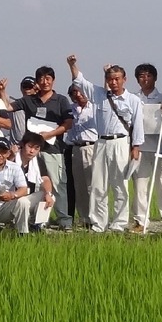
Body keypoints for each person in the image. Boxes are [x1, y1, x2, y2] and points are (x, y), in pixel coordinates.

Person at [68, 55, 144, 233]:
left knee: (120, 185)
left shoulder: (132, 100)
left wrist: (136, 147)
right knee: (97, 185)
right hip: (101, 142)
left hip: (121, 142)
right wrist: (72, 64)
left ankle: (118, 224)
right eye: (110, 79)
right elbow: (80, 81)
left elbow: (138, 124)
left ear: (124, 79)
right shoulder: (99, 94)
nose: (113, 82)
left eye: (117, 79)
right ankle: (98, 224)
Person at [9, 65, 73, 230]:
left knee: (57, 184)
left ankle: (64, 220)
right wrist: (0, 90)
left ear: (53, 80)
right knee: (34, 184)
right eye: (41, 79)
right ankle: (38, 220)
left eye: (48, 78)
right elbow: (8, 107)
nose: (45, 82)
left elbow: (68, 123)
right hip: (31, 151)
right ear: (37, 82)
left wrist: (50, 134)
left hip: (53, 149)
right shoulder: (29, 100)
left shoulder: (61, 100)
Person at [130, 63, 162, 233]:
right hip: (141, 147)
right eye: (141, 76)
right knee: (140, 186)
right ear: (137, 79)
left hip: (161, 147)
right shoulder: (133, 98)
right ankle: (140, 221)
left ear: (155, 78)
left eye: (148, 75)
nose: (145, 79)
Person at [64, 84, 97, 229]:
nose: (77, 95)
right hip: (75, 148)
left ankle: (96, 218)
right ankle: (84, 218)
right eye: (73, 93)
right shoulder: (69, 109)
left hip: (92, 147)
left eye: (80, 91)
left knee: (93, 185)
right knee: (79, 187)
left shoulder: (95, 107)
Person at [13, 132, 56, 231]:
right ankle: (22, 231)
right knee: (22, 201)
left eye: (36, 148)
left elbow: (45, 179)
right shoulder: (13, 159)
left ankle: (38, 225)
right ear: (22, 145)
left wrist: (47, 193)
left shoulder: (38, 161)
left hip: (27, 196)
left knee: (50, 196)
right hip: (12, 197)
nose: (32, 151)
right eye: (30, 146)